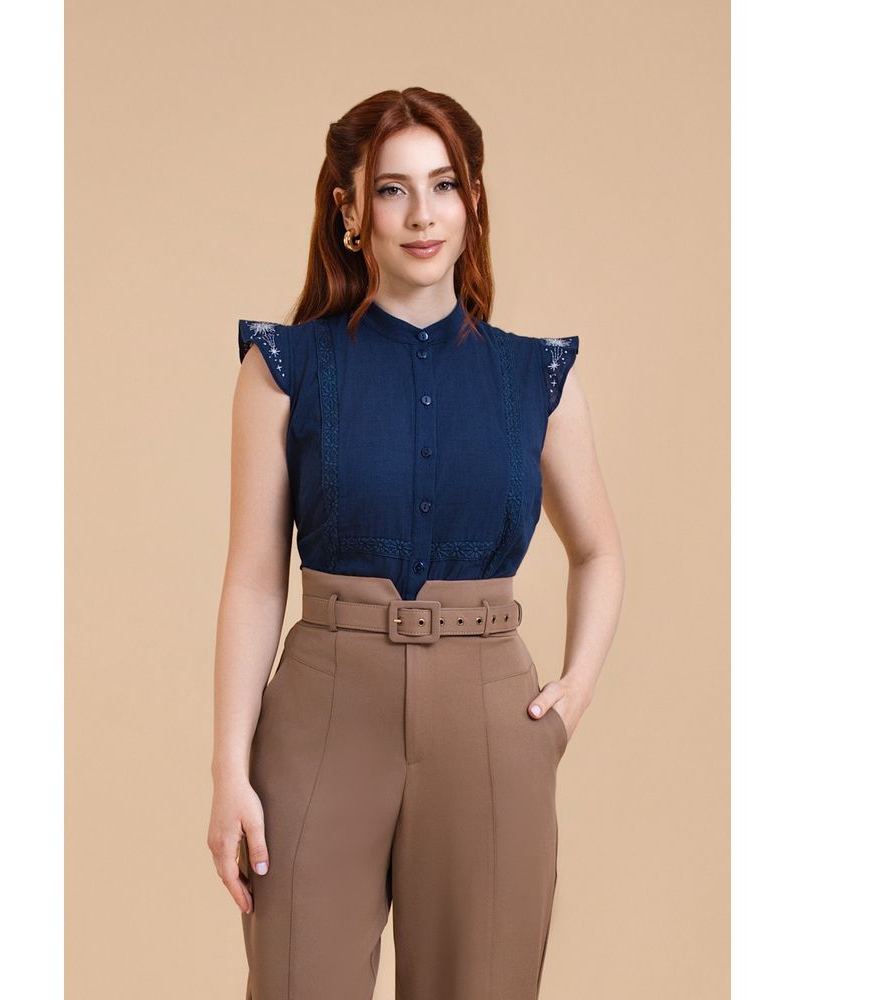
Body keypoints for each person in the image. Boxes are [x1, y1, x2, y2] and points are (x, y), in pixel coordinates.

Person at [207, 86, 624, 1000]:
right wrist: (228, 768)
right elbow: (253, 581)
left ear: (473, 201)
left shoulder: (539, 377)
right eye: (392, 189)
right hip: (321, 717)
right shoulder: (283, 368)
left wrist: (576, 693)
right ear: (350, 210)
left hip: (491, 724)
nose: (423, 213)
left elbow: (599, 551)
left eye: (445, 184)